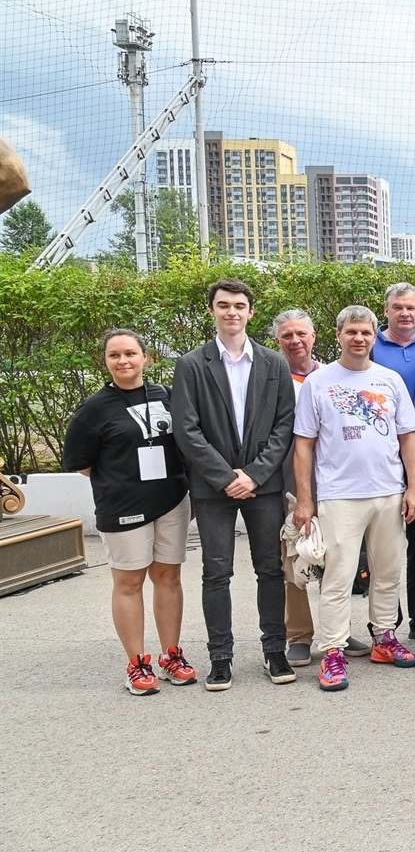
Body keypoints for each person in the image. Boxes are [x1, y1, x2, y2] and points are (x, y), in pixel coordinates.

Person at [171, 278, 296, 691]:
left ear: (251, 312)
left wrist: (255, 474)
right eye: (223, 305)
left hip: (264, 486)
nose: (232, 312)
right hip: (213, 488)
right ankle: (220, 658)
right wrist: (226, 477)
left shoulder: (273, 363)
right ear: (212, 311)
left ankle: (274, 651)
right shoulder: (192, 364)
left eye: (239, 305)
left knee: (270, 569)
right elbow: (186, 431)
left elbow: (284, 425)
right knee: (216, 572)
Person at [293, 305, 415, 692]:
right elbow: (304, 445)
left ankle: (384, 638)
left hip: (388, 493)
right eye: (351, 331)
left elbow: (407, 438)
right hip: (339, 495)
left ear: (374, 336)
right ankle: (332, 652)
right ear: (338, 336)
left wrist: (413, 488)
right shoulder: (319, 383)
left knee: (388, 572)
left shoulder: (390, 380)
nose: (359, 338)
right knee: (337, 576)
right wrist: (306, 499)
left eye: (366, 332)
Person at [62, 330, 195, 695]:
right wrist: (120, 481)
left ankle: (171, 655)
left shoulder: (165, 396)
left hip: (171, 501)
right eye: (114, 355)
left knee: (168, 578)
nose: (123, 361)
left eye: (131, 354)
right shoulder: (95, 408)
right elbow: (79, 461)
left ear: (145, 358)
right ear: (105, 361)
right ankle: (137, 664)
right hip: (123, 506)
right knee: (129, 582)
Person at [270, 309, 370, 664]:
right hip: (287, 479)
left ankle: (336, 633)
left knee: (338, 561)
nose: (295, 341)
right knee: (294, 556)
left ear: (315, 337)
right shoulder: (272, 378)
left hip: (334, 480)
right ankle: (299, 635)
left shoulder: (333, 376)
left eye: (302, 334)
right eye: (287, 336)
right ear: (278, 342)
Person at [369, 282, 415, 644]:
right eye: (398, 307)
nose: (405, 313)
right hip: (377, 460)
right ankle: (384, 622)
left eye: (411, 308)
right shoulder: (370, 346)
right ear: (386, 311)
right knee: (380, 546)